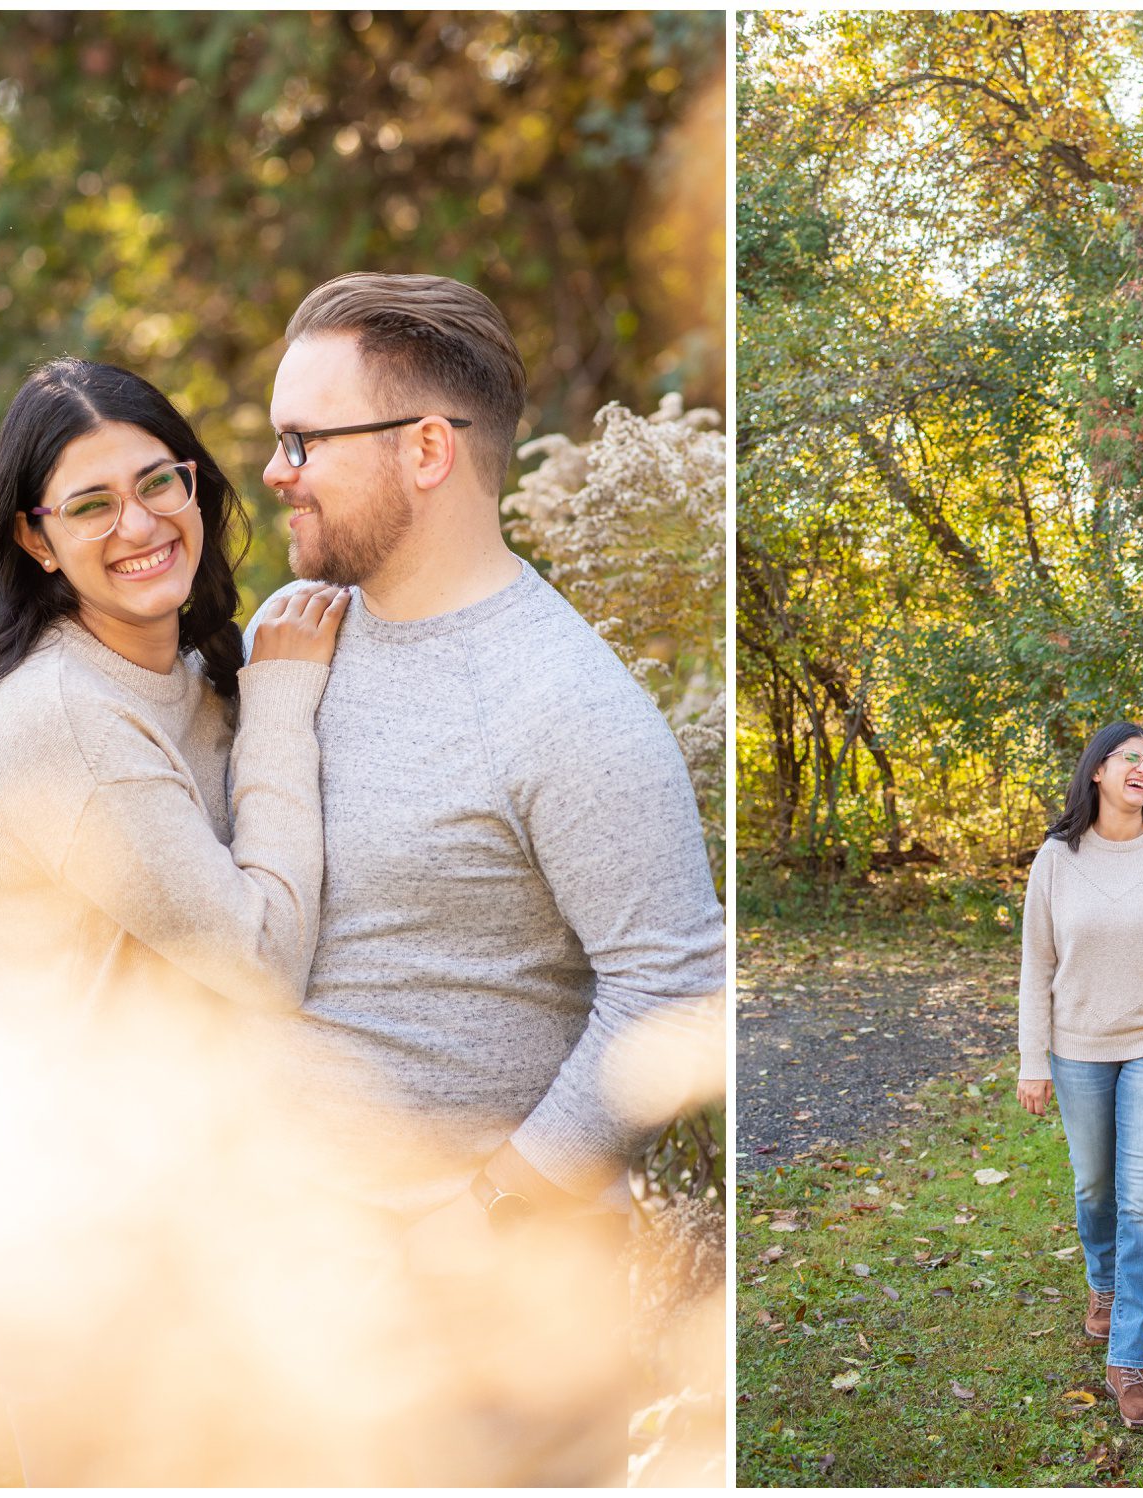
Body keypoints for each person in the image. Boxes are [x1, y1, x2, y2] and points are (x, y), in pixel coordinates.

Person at [253, 271, 725, 1481]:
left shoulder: (562, 705)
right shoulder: (305, 635)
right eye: (276, 438)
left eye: (303, 438)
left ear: (424, 450)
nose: (275, 469)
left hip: (485, 1339)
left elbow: (672, 989)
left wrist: (479, 1219)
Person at [0, 357, 348, 1482]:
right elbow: (258, 957)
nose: (139, 522)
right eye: (90, 504)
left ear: (197, 490)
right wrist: (285, 704)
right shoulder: (67, 716)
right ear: (37, 540)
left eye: (160, 483)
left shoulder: (191, 671)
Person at [1016, 720, 1143, 1432]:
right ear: (1098, 772)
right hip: (1077, 1045)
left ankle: (1128, 1360)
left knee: (1142, 1201)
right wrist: (1031, 1058)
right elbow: (1036, 967)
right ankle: (1101, 1282)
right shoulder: (1057, 857)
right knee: (1093, 1186)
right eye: (1130, 757)